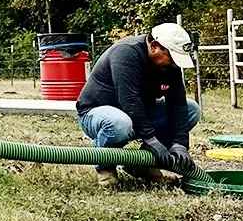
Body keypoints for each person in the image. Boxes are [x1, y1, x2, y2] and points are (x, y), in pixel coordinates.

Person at [75, 23, 200, 188]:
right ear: (155, 46)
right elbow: (130, 100)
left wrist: (180, 143)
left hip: (136, 113)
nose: (174, 64)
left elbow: (178, 103)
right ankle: (105, 168)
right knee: (119, 123)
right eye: (172, 57)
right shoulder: (126, 53)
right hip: (97, 113)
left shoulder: (169, 65)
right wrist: (151, 138)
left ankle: (140, 165)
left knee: (192, 109)